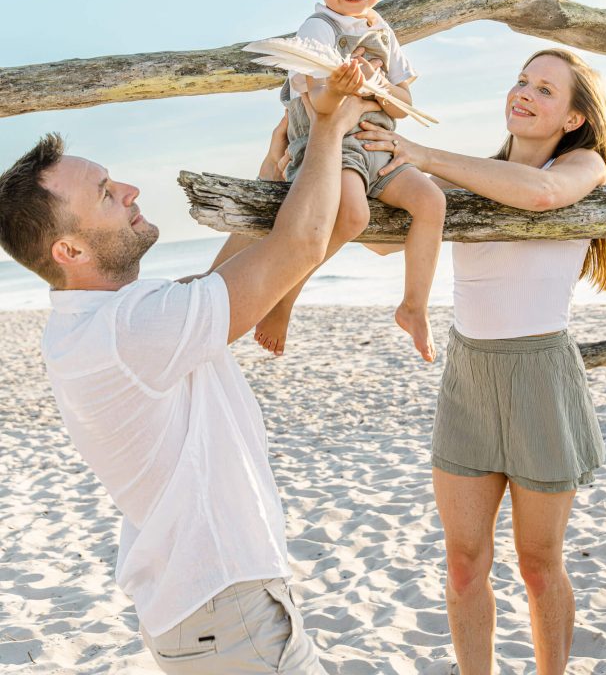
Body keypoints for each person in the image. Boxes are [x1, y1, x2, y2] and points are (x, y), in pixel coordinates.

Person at [0, 93, 371, 675]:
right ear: (68, 250)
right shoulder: (130, 329)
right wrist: (328, 127)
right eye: (105, 193)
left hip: (206, 612)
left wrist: (270, 173)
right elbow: (300, 244)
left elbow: (217, 285)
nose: (130, 191)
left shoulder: (92, 323)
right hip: (229, 613)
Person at [356, 47, 606, 675]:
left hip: (540, 375)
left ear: (571, 118)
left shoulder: (582, 163)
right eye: (521, 81)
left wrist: (422, 155)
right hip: (468, 375)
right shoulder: (466, 174)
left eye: (544, 89)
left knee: (538, 564)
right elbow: (379, 243)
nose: (524, 93)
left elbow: (540, 194)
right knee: (462, 562)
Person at [254, 0, 446, 362]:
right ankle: (283, 300)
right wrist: (343, 88)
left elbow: (404, 104)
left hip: (378, 144)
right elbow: (319, 105)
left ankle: (414, 307)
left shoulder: (381, 29)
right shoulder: (317, 30)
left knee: (432, 201)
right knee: (353, 215)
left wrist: (379, 89)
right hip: (330, 145)